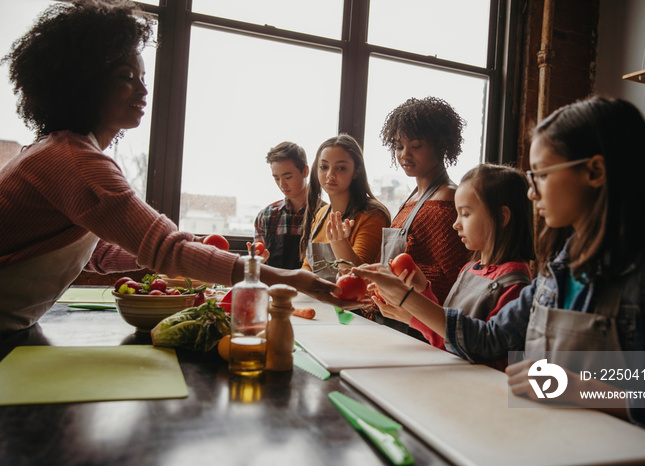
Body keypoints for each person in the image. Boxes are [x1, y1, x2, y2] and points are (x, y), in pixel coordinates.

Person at [354, 96, 645, 454]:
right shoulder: (556, 274)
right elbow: (487, 339)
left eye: (543, 175)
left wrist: (582, 389)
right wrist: (407, 298)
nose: (532, 192)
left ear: (595, 172)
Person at [0, 0, 349, 337]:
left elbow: (99, 254)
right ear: (85, 82)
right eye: (126, 76)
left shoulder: (65, 150)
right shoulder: (75, 160)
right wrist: (289, 279)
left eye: (142, 76)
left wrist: (183, 256)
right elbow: (166, 248)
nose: (144, 89)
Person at [369, 164, 534, 370]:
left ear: (502, 217)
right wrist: (423, 291)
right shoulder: (470, 268)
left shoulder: (515, 284)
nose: (456, 224)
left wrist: (408, 302)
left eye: (465, 214)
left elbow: (485, 353)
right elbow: (448, 334)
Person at [371, 96, 472, 335]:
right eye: (399, 146)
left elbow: (452, 278)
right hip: (397, 319)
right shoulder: (413, 197)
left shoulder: (446, 200)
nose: (405, 155)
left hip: (420, 328)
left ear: (441, 145)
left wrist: (392, 278)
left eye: (416, 146)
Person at [299, 134, 390, 281]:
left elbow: (360, 277)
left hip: (355, 303)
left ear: (356, 171)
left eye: (341, 168)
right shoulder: (321, 214)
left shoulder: (373, 215)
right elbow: (307, 270)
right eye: (323, 167)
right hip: (318, 302)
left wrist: (339, 243)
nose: (330, 175)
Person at [254, 141, 310, 269]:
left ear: (305, 171)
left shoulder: (324, 214)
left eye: (288, 177)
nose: (282, 185)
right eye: (276, 178)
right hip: (272, 288)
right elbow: (256, 267)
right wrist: (257, 261)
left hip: (308, 288)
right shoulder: (266, 216)